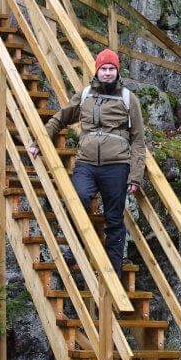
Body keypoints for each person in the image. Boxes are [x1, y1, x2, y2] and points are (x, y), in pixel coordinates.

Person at [28, 49, 146, 278]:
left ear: (117, 71)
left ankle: (114, 272)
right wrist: (39, 142)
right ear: (97, 70)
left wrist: (135, 176)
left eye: (112, 69)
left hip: (117, 165)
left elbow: (138, 141)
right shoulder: (85, 95)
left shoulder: (128, 99)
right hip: (87, 163)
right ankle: (75, 249)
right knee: (78, 198)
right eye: (104, 69)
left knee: (114, 218)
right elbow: (60, 118)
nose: (108, 73)